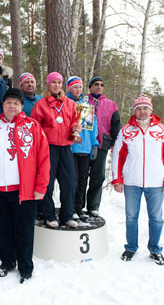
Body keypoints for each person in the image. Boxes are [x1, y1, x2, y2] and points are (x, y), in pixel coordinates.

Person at [0, 88, 50, 284]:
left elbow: (44, 158)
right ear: (2, 105)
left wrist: (41, 186)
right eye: (8, 102)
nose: (11, 106)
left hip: (24, 190)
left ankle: (25, 267)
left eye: (16, 103)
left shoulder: (32, 126)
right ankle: (7, 263)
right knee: (2, 229)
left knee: (24, 231)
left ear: (22, 106)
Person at [111, 95, 164, 265]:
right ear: (135, 111)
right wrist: (117, 179)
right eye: (139, 108)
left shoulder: (162, 130)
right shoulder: (126, 131)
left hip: (156, 182)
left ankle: (155, 249)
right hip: (132, 182)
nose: (142, 111)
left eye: (145, 108)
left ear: (151, 110)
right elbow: (118, 155)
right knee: (131, 217)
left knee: (156, 218)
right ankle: (131, 247)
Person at [31, 72, 81, 228]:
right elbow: (35, 126)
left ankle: (67, 215)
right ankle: (49, 215)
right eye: (53, 82)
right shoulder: (41, 104)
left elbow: (75, 119)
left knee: (69, 182)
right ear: (48, 84)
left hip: (66, 147)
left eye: (59, 82)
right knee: (47, 184)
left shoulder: (70, 104)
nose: (57, 85)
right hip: (48, 148)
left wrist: (76, 127)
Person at [86, 77, 121, 217]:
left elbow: (116, 125)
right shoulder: (83, 102)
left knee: (98, 176)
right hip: (85, 145)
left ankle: (93, 206)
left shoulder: (111, 105)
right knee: (80, 177)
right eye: (96, 84)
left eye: (102, 85)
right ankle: (78, 206)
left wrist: (113, 144)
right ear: (90, 87)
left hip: (102, 144)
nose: (99, 87)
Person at [66, 76, 99, 220]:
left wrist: (94, 145)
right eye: (74, 87)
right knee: (72, 180)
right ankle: (70, 207)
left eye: (80, 87)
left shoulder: (86, 105)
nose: (78, 90)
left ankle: (79, 208)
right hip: (71, 147)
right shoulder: (66, 103)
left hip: (84, 148)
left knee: (83, 180)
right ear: (69, 89)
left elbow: (93, 127)